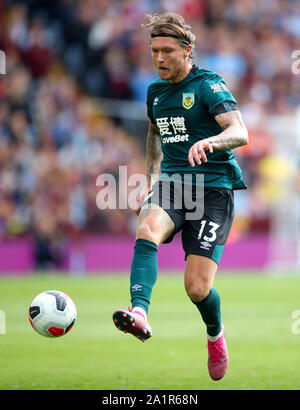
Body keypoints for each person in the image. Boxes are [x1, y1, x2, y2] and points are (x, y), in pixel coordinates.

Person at [113, 12, 248, 381]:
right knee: (147, 229)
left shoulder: (208, 85)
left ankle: (215, 335)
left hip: (214, 190)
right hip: (174, 185)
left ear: (187, 51)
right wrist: (152, 179)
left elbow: (240, 132)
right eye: (154, 51)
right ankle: (139, 311)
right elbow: (155, 135)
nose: (159, 58)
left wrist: (212, 140)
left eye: (167, 51)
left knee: (197, 288)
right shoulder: (155, 92)